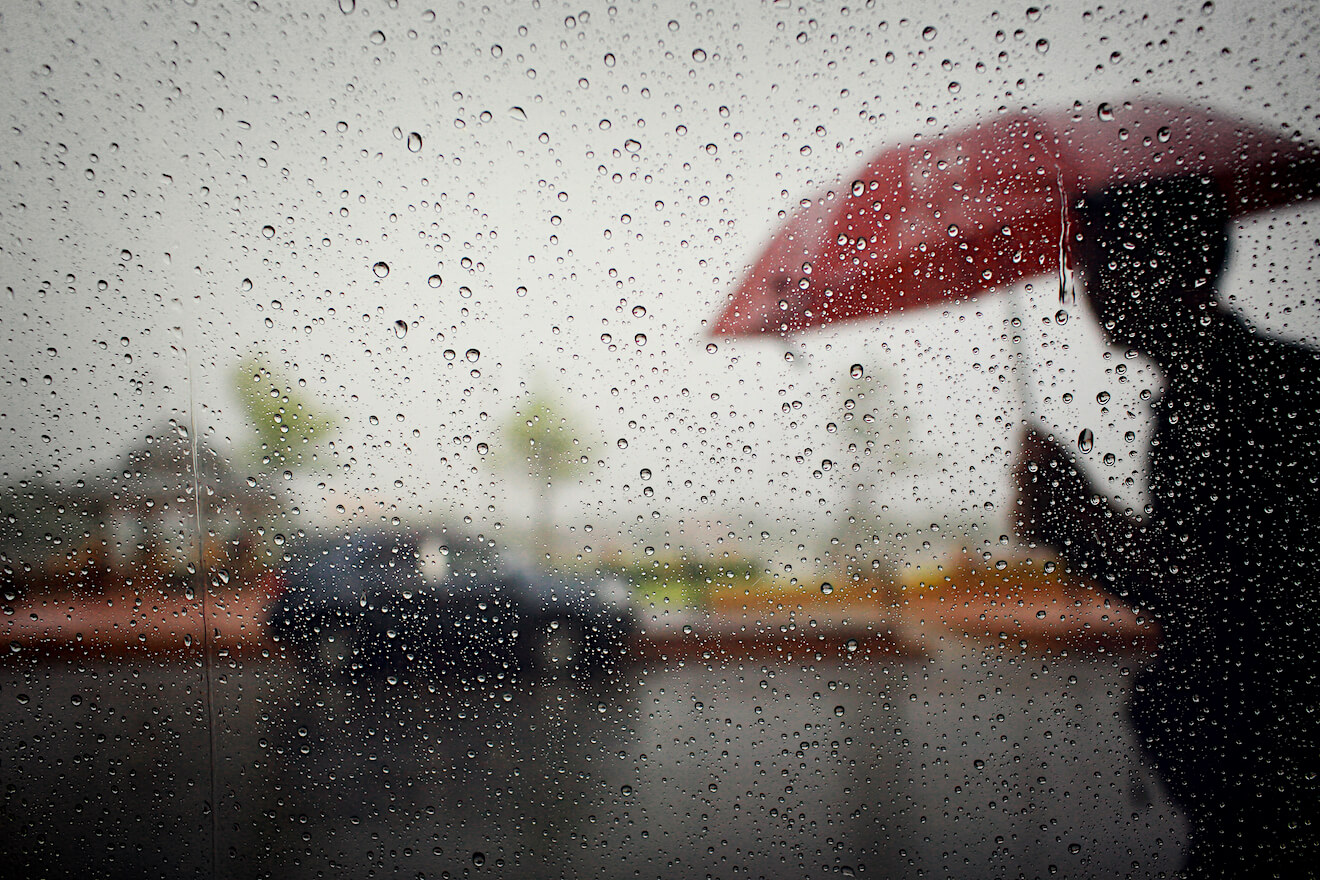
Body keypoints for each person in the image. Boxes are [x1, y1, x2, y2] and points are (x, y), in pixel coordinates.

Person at [1015, 175, 1320, 878]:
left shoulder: (1245, 397)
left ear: (1162, 263)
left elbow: (1219, 600)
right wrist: (1074, 516)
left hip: (1274, 801)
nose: (1084, 287)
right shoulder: (1237, 385)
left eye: (1096, 262)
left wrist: (1073, 516)